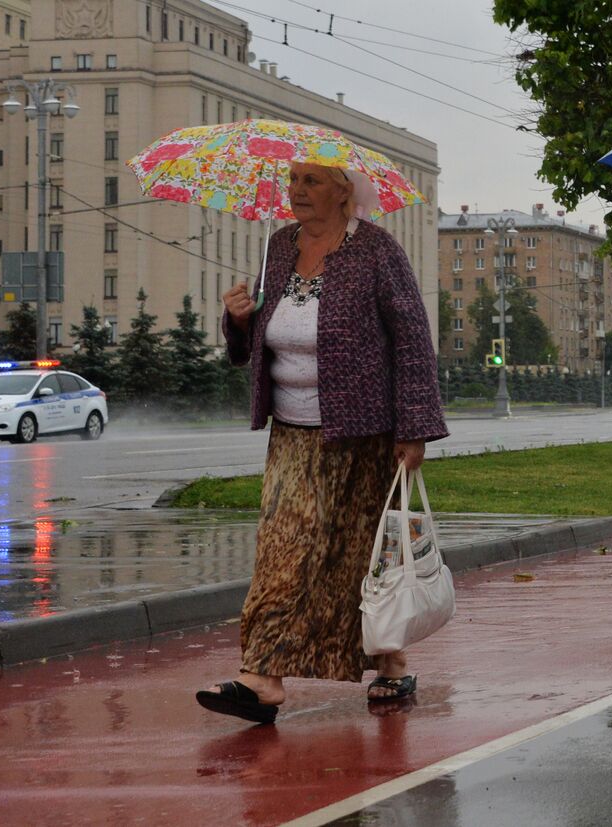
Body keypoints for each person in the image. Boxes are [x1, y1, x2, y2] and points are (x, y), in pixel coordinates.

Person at [197, 161, 448, 724]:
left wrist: (414, 429)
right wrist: (237, 321)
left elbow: (411, 340)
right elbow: (257, 342)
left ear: (343, 192)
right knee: (282, 550)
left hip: (365, 433)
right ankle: (261, 678)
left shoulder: (377, 251)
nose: (297, 192)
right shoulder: (279, 247)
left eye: (311, 182)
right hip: (291, 433)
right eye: (293, 182)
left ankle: (390, 659)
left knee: (361, 556)